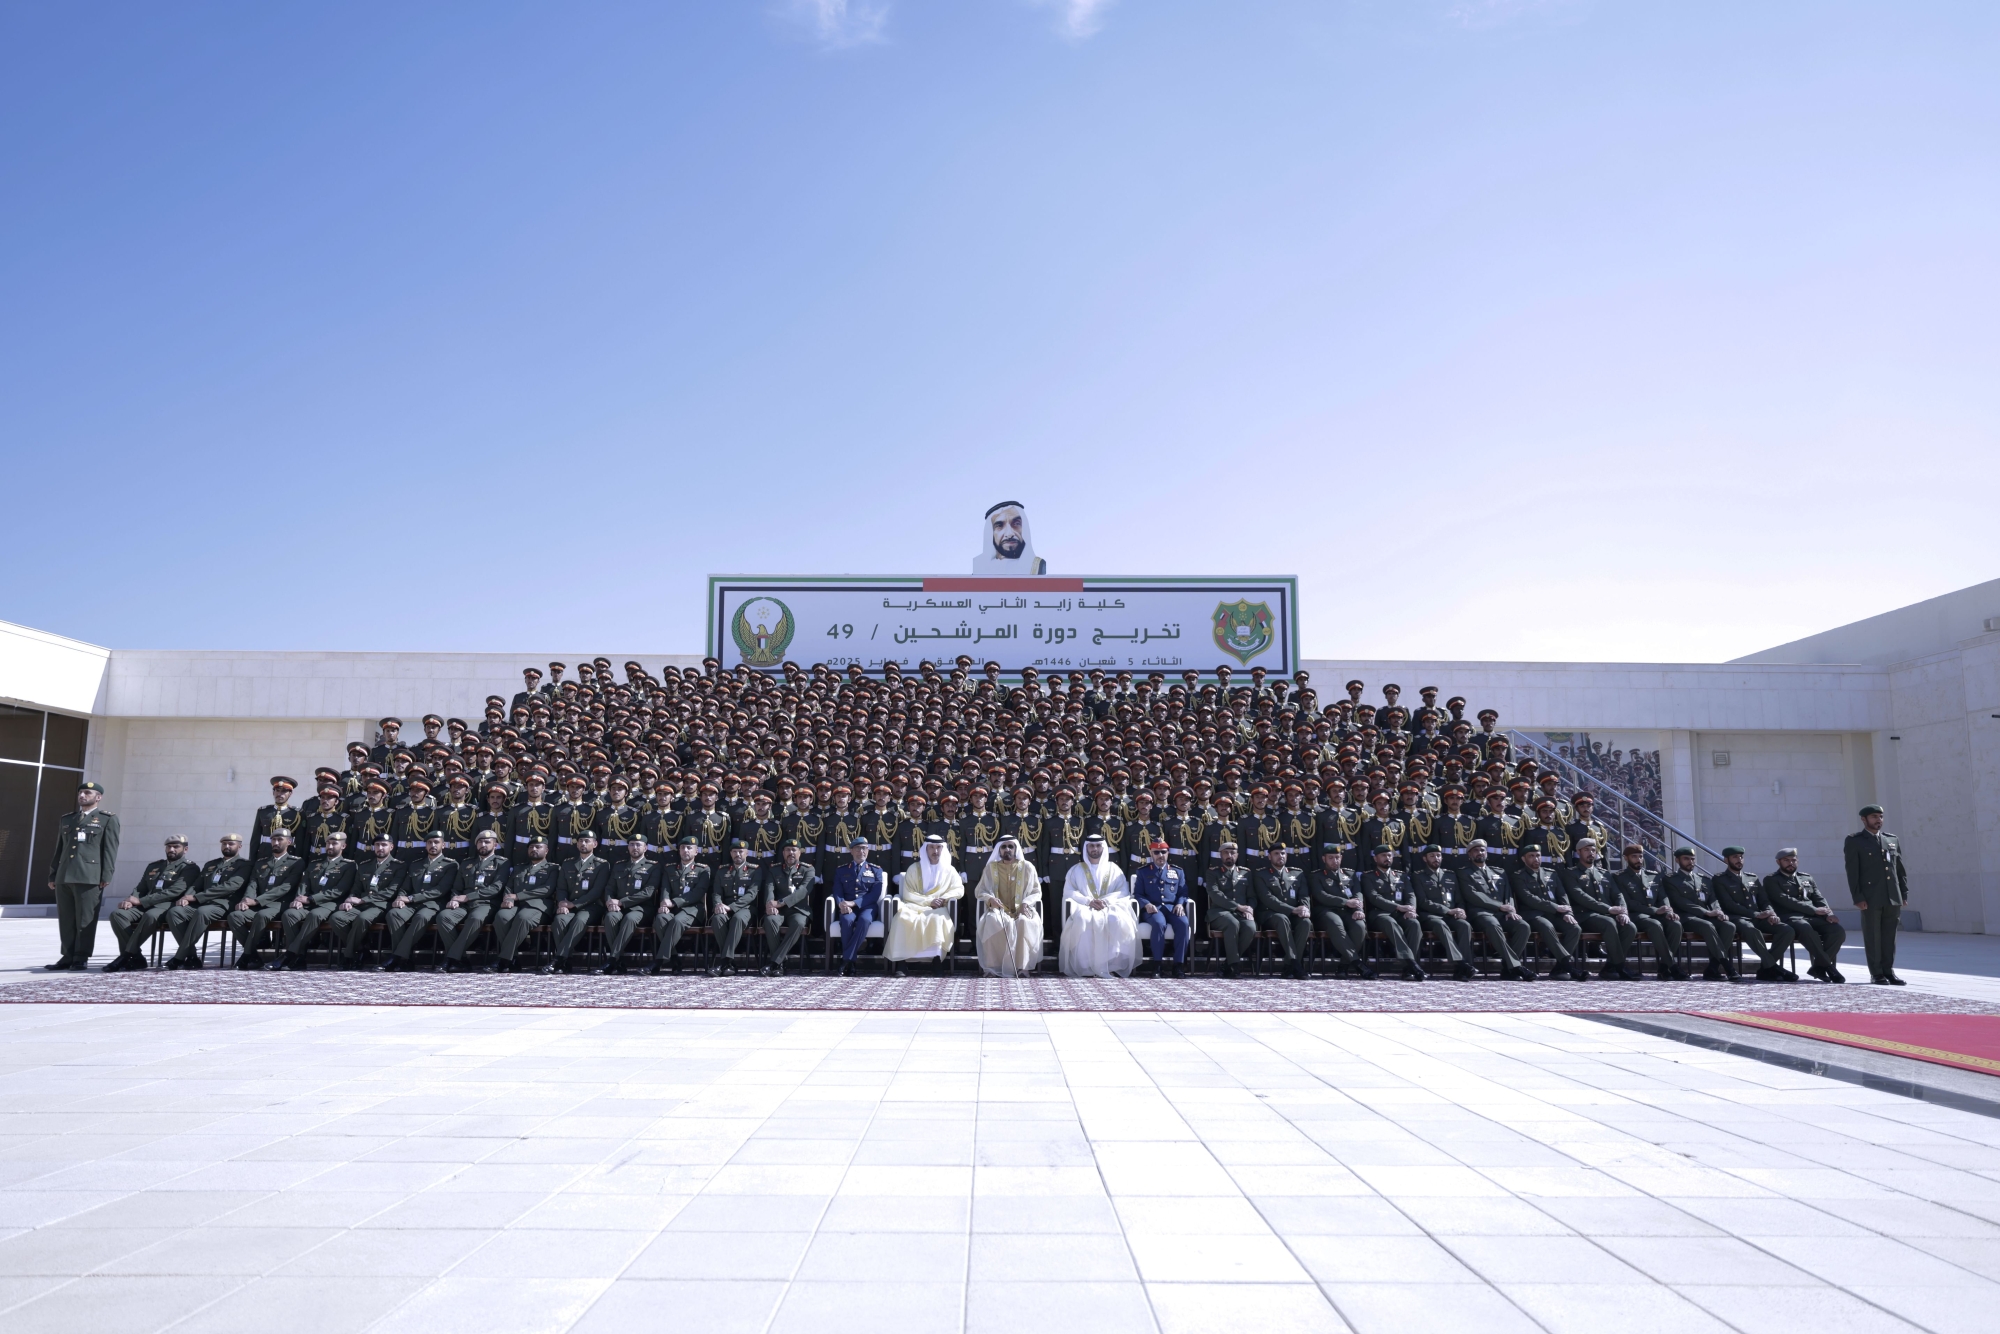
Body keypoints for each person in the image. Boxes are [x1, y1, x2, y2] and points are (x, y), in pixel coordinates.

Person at [44, 780, 121, 971]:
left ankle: (81, 956)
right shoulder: (67, 819)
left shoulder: (107, 819)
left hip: (90, 876)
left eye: (87, 792)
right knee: (66, 919)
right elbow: (59, 849)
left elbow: (110, 850)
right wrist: (53, 874)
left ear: (98, 797)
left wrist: (106, 875)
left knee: (85, 919)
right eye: (80, 792)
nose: (82, 795)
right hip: (65, 875)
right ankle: (67, 956)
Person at [104, 835, 200, 972]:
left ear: (185, 849)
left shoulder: (190, 868)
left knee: (150, 915)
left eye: (176, 847)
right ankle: (137, 957)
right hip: (146, 904)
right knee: (118, 914)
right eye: (169, 846)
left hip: (169, 905)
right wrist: (130, 900)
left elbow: (175, 891)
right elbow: (141, 887)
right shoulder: (155, 866)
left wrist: (141, 901)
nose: (171, 849)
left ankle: (126, 955)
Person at [269, 831, 357, 970]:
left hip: (331, 904)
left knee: (314, 915)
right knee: (289, 914)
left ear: (343, 846)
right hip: (309, 902)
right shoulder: (315, 864)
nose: (330, 846)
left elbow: (340, 890)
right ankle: (300, 957)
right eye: (328, 843)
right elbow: (305, 884)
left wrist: (310, 899)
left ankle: (291, 954)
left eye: (335, 843)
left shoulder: (349, 865)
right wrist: (299, 898)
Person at [164, 834, 251, 970]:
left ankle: (179, 957)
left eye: (231, 844)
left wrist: (197, 898)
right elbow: (196, 885)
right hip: (203, 903)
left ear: (239, 846)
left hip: (223, 904)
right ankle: (192, 957)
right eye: (224, 844)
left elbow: (231, 886)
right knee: (175, 912)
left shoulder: (244, 865)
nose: (227, 846)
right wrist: (186, 897)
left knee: (202, 912)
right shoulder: (211, 864)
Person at [1844, 805, 1910, 985]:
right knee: (1873, 936)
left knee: (1889, 936)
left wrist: (1903, 893)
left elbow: (1899, 870)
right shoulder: (1854, 841)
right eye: (1874, 817)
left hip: (1892, 895)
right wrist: (1858, 897)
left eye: (1880, 816)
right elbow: (1853, 872)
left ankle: (1889, 971)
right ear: (1864, 820)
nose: (1878, 820)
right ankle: (1876, 973)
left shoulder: (1892, 840)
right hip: (1871, 896)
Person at [1712, 846, 1797, 983]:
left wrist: (1770, 913)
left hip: (1758, 917)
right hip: (1737, 918)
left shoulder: (1752, 878)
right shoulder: (1719, 879)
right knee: (1751, 930)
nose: (1739, 860)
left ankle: (1765, 968)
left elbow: (1764, 900)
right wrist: (1756, 914)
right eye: (1735, 857)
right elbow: (1728, 904)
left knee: (1786, 930)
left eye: (1741, 857)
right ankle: (1774, 967)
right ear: (1726, 860)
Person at [378, 831, 460, 971]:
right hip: (412, 904)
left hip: (433, 904)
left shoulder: (450, 865)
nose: (433, 845)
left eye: (436, 842)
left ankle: (397, 957)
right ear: (425, 845)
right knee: (394, 914)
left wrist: (410, 898)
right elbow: (405, 887)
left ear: (443, 845)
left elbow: (440, 890)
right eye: (429, 843)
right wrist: (400, 898)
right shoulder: (416, 864)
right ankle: (406, 958)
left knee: (421, 917)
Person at [1455, 840, 1535, 980]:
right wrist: (1498, 906)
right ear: (1469, 854)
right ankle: (1516, 967)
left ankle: (1507, 968)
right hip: (1480, 913)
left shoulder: (1499, 871)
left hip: (1503, 913)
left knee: (1523, 926)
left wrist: (1510, 909)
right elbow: (1473, 895)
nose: (1480, 853)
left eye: (1482, 850)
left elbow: (1508, 894)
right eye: (1476, 850)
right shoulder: (1464, 872)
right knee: (1493, 925)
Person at [885, 835, 964, 974]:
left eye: (938, 847)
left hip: (938, 908)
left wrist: (943, 898)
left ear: (943, 849)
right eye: (932, 847)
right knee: (902, 918)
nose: (935, 851)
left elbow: (959, 889)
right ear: (925, 849)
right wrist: (929, 901)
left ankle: (936, 961)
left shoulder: (949, 871)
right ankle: (902, 963)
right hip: (914, 905)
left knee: (937, 920)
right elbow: (908, 894)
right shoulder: (914, 868)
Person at [1766, 847, 1847, 983]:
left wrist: (1829, 914)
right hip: (1790, 917)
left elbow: (1819, 898)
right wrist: (1814, 910)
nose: (1790, 863)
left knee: (1837, 930)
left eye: (1793, 860)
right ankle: (1828, 966)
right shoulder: (1771, 880)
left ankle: (1818, 967)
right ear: (1778, 862)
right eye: (1786, 860)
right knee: (1805, 928)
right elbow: (1785, 900)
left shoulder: (1806, 878)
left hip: (1813, 917)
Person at [1060, 835, 1136, 977]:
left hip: (1109, 906)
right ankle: (1086, 966)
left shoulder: (1114, 869)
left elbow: (1123, 891)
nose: (1095, 849)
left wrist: (1106, 901)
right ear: (1086, 848)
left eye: (1098, 846)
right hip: (1085, 906)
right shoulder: (1076, 870)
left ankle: (1112, 966)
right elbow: (1069, 892)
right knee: (1084, 919)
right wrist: (1088, 901)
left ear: (1103, 848)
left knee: (1115, 919)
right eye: (1091, 846)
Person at [435, 829, 511, 972]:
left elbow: (496, 888)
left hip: (486, 903)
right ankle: (461, 959)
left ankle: (451, 958)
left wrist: (468, 897)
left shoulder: (502, 863)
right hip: (463, 904)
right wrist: (455, 899)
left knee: (475, 918)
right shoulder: (467, 863)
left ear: (495, 845)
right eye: (480, 842)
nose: (483, 844)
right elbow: (457, 887)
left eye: (487, 842)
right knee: (443, 916)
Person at [1610, 844, 1687, 980]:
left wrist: (1668, 911)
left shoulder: (1653, 876)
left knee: (1676, 925)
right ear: (1625, 858)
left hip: (1657, 914)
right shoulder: (1619, 877)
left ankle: (1663, 967)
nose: (1638, 859)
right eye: (1634, 857)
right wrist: (1655, 910)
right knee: (1654, 924)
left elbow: (1663, 897)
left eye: (1640, 856)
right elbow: (1628, 902)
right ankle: (1673, 966)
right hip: (1635, 915)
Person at [1662, 848, 1740, 981]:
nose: (1690, 862)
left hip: (1706, 916)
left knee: (1729, 926)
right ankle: (1727, 965)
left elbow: (1713, 899)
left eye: (1692, 859)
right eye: (1686, 859)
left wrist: (1718, 912)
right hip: (1685, 917)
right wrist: (1706, 912)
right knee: (1707, 925)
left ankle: (1712, 968)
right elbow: (1680, 902)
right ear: (1677, 860)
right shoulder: (1671, 880)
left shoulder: (1704, 880)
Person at [1510, 845, 1585, 981]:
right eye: (1531, 856)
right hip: (1533, 914)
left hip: (1555, 914)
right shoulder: (1518, 876)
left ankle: (1559, 968)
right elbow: (1528, 898)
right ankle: (1568, 963)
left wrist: (1567, 913)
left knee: (1574, 928)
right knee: (1547, 926)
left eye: (1538, 855)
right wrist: (1556, 907)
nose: (1536, 859)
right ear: (1523, 858)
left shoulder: (1551, 873)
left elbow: (1562, 895)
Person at [975, 835, 1043, 977]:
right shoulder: (990, 868)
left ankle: (1022, 967)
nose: (1007, 849)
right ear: (999, 850)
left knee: (1024, 922)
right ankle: (993, 967)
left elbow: (1036, 891)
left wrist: (1026, 903)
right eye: (1004, 847)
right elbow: (980, 890)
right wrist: (990, 899)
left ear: (1016, 849)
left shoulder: (1027, 867)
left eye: (1010, 846)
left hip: (1023, 909)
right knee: (992, 921)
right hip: (999, 910)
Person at [488, 835, 558, 973]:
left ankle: (504, 959)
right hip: (515, 905)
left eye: (538, 847)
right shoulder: (519, 868)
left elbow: (547, 889)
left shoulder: (553, 868)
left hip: (538, 906)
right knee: (502, 917)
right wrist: (508, 899)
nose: (534, 849)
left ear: (547, 850)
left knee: (523, 918)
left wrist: (518, 896)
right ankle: (512, 959)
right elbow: (509, 886)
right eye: (531, 847)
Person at [543, 831, 609, 974]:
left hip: (591, 907)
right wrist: (562, 903)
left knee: (579, 920)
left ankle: (559, 959)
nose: (583, 844)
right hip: (569, 905)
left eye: (587, 841)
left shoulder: (602, 865)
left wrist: (574, 904)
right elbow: (561, 888)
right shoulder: (568, 863)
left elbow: (596, 892)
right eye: (580, 841)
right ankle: (567, 961)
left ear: (595, 844)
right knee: (560, 920)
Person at [1409, 844, 1477, 981]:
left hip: (1451, 915)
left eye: (1438, 855)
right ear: (1424, 859)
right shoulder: (1418, 876)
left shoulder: (1450, 875)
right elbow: (1423, 902)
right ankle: (1461, 963)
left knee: (1464, 925)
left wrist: (1461, 910)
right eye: (1432, 856)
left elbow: (1459, 899)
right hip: (1429, 916)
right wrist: (1448, 911)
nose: (1436, 858)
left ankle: (1462, 970)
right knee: (1440, 924)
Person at [1360, 845, 1427, 981]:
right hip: (1379, 915)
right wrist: (1398, 907)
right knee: (1390, 923)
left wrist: (1411, 909)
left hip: (1401, 913)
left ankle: (1408, 969)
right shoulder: (1368, 876)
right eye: (1383, 855)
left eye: (1390, 855)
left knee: (1414, 924)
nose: (1387, 858)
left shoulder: (1401, 875)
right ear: (1375, 858)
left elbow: (1410, 894)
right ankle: (1412, 963)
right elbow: (1374, 898)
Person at [1307, 843, 1373, 978]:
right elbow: (1321, 895)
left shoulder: (1350, 874)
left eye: (1337, 857)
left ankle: (1344, 965)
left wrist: (1359, 908)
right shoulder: (1317, 876)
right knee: (1336, 923)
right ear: (1324, 859)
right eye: (1330, 858)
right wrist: (1345, 902)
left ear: (1341, 858)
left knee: (1360, 926)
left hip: (1348, 911)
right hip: (1325, 911)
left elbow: (1358, 893)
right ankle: (1357, 962)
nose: (1334, 860)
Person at [650, 836, 710, 974]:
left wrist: (674, 902)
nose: (685, 851)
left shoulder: (703, 870)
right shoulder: (670, 868)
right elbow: (665, 888)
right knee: (660, 919)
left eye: (689, 848)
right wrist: (664, 902)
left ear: (696, 852)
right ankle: (675, 960)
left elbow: (698, 893)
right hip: (672, 908)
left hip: (693, 909)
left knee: (677, 921)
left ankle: (658, 961)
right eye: (683, 848)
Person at [1132, 840, 1191, 978]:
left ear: (1168, 853)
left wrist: (1180, 904)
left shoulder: (1178, 871)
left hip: (1172, 908)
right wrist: (1146, 904)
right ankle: (1157, 965)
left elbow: (1183, 892)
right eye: (1156, 852)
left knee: (1183, 923)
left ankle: (1178, 966)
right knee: (1159, 924)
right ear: (1151, 854)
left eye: (1163, 852)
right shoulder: (1143, 871)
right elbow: (1138, 894)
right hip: (1153, 908)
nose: (1160, 855)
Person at [1254, 846, 1313, 980]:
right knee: (1282, 919)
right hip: (1270, 914)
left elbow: (1304, 895)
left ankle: (1289, 965)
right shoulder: (1261, 874)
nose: (1280, 856)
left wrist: (1304, 908)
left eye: (1283, 853)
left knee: (1305, 922)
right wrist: (1292, 909)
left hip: (1294, 913)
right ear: (1269, 856)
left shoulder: (1297, 873)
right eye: (1276, 854)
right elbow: (1268, 899)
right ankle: (1295, 963)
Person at [832, 837, 888, 976]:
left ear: (868, 851)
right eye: (857, 848)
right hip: (847, 906)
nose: (861, 851)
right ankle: (850, 963)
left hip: (867, 907)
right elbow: (837, 890)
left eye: (864, 848)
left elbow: (875, 894)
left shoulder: (876, 870)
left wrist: (854, 903)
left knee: (865, 920)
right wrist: (841, 903)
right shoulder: (841, 870)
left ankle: (846, 960)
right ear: (851, 851)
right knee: (846, 920)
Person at [761, 840, 816, 976]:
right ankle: (779, 962)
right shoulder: (774, 869)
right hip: (778, 911)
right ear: (783, 853)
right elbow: (769, 889)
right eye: (788, 850)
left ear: (799, 852)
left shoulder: (808, 869)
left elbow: (802, 892)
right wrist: (769, 904)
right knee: (770, 921)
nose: (791, 853)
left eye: (794, 850)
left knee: (798, 923)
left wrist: (780, 902)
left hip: (798, 910)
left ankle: (774, 963)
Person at [709, 839, 763, 975]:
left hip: (746, 908)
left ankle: (724, 962)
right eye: (734, 852)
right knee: (717, 918)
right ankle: (729, 964)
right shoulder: (722, 870)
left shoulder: (755, 870)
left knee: (738, 919)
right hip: (724, 907)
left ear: (746, 853)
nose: (737, 854)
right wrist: (718, 904)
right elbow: (716, 892)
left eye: (740, 851)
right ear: (731, 853)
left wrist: (731, 907)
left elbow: (752, 894)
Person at [1206, 839, 1258, 977]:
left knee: (1251, 927)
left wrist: (1250, 909)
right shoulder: (1213, 873)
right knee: (1232, 924)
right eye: (1226, 853)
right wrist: (1238, 907)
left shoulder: (1246, 873)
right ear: (1220, 855)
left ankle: (1228, 963)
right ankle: (1234, 966)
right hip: (1219, 913)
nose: (1229, 855)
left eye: (1232, 852)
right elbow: (1216, 895)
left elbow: (1252, 896)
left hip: (1242, 913)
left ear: (1237, 855)